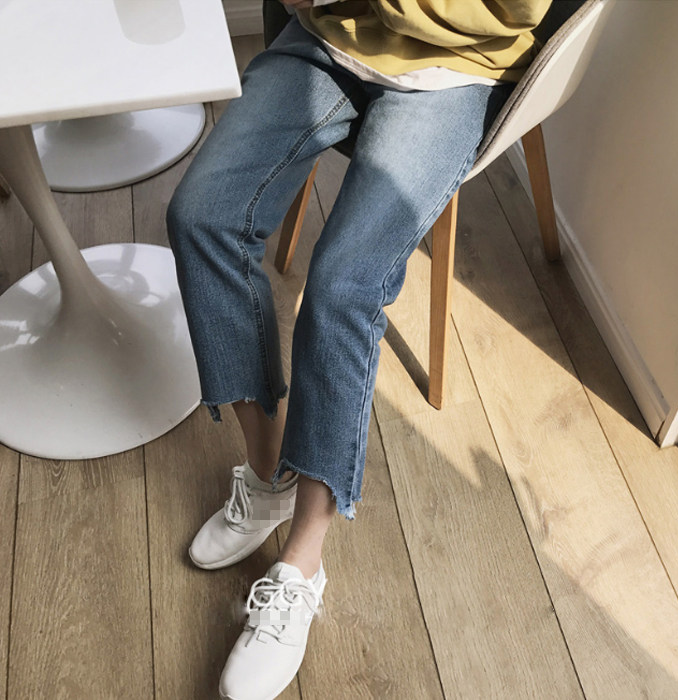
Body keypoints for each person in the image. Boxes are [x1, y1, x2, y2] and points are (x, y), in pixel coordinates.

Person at [166, 1, 553, 698]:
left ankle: (302, 565)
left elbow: (514, 9)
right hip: (329, 37)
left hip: (449, 71)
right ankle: (269, 477)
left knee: (342, 288)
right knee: (202, 215)